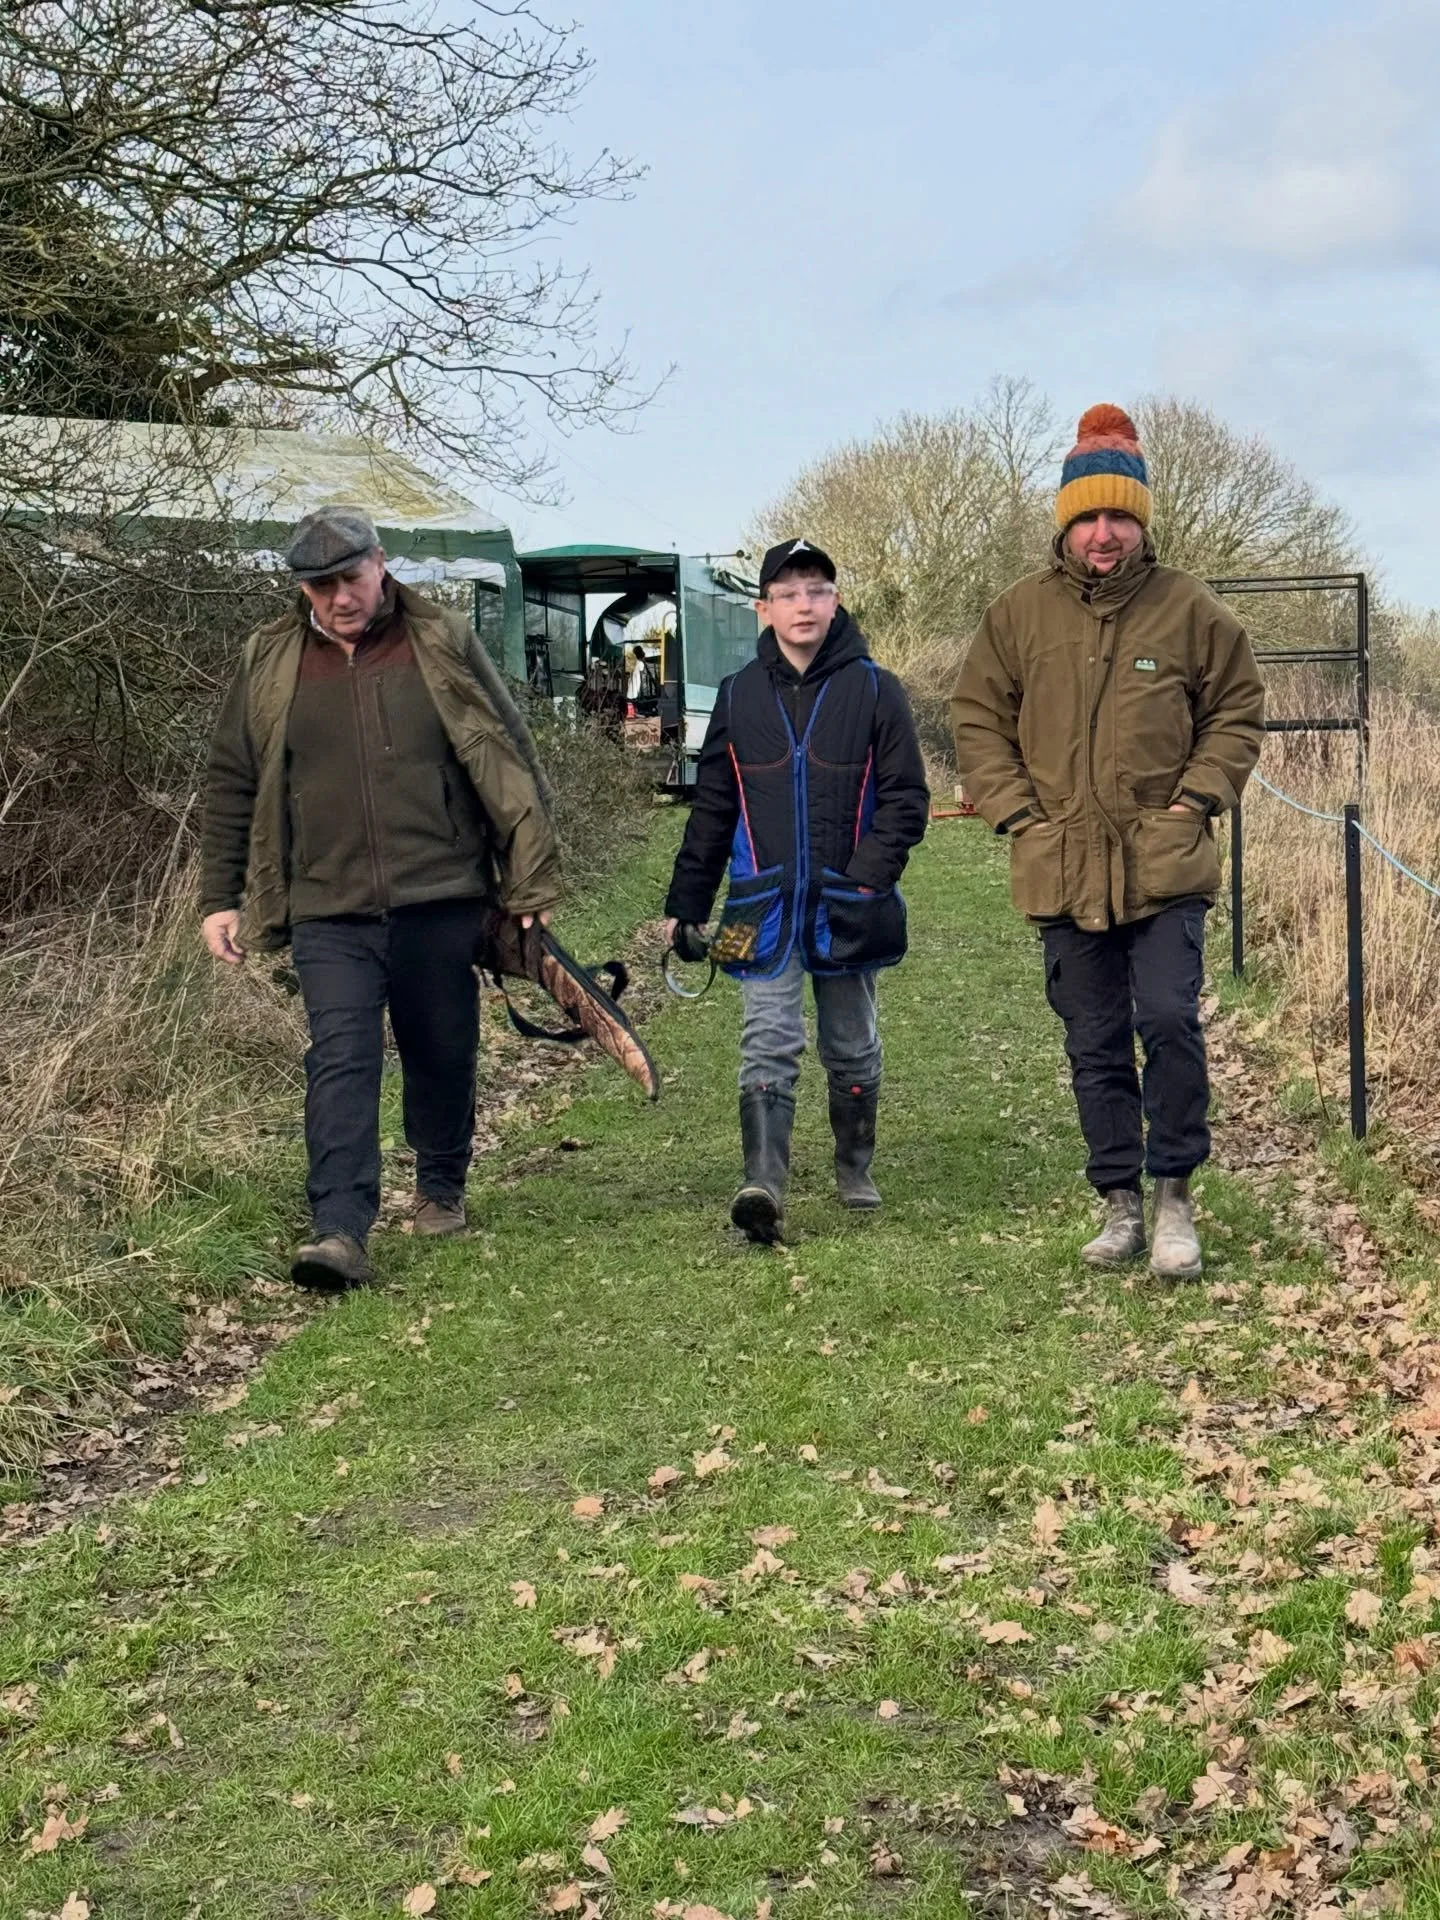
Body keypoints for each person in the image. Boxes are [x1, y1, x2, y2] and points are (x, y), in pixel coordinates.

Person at [200, 508, 562, 1292]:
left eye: (350, 578)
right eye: (319, 585)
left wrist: (529, 877)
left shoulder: (439, 639)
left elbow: (507, 754)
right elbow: (234, 778)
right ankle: (338, 1227)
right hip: (325, 904)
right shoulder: (270, 658)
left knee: (441, 1048)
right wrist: (218, 895)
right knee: (341, 1058)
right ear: (301, 588)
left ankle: (440, 1185)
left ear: (382, 564)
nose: (338, 598)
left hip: (439, 893)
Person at [950, 406, 1264, 1279]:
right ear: (1065, 521)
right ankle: (1118, 1201)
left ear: (1142, 519)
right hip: (1059, 865)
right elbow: (977, 718)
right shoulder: (1016, 615)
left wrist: (1197, 799)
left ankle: (1174, 1197)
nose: (1103, 533)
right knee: (1092, 1038)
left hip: (1164, 862)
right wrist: (1017, 812)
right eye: (1087, 517)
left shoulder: (1190, 608)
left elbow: (1236, 711)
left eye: (1118, 516)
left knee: (1166, 1019)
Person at [663, 538, 929, 1241]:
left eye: (815, 591)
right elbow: (714, 808)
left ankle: (853, 1165)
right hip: (761, 903)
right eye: (787, 593)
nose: (802, 604)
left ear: (835, 601)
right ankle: (764, 1183)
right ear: (764, 609)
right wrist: (686, 904)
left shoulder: (877, 689)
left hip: (851, 903)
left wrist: (870, 878)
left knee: (851, 1046)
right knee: (767, 1039)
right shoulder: (737, 695)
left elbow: (907, 800)